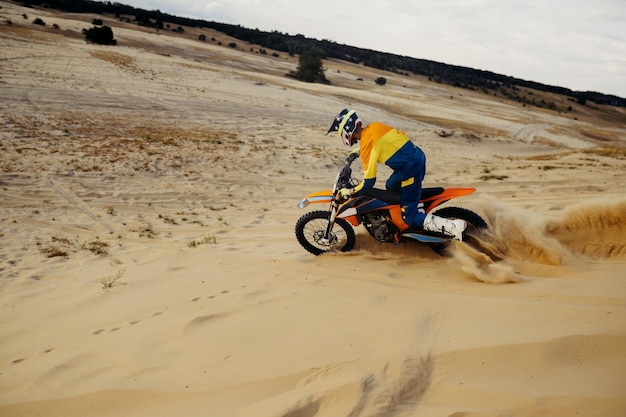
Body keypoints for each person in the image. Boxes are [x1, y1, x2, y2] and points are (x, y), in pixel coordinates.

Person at [326, 108, 467, 241]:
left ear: (346, 131)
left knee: (410, 217)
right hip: (415, 158)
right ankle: (401, 211)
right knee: (391, 185)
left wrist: (349, 191)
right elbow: (382, 142)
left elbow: (369, 182)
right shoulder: (374, 127)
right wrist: (357, 152)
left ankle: (453, 227)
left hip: (410, 170)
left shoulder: (367, 146)